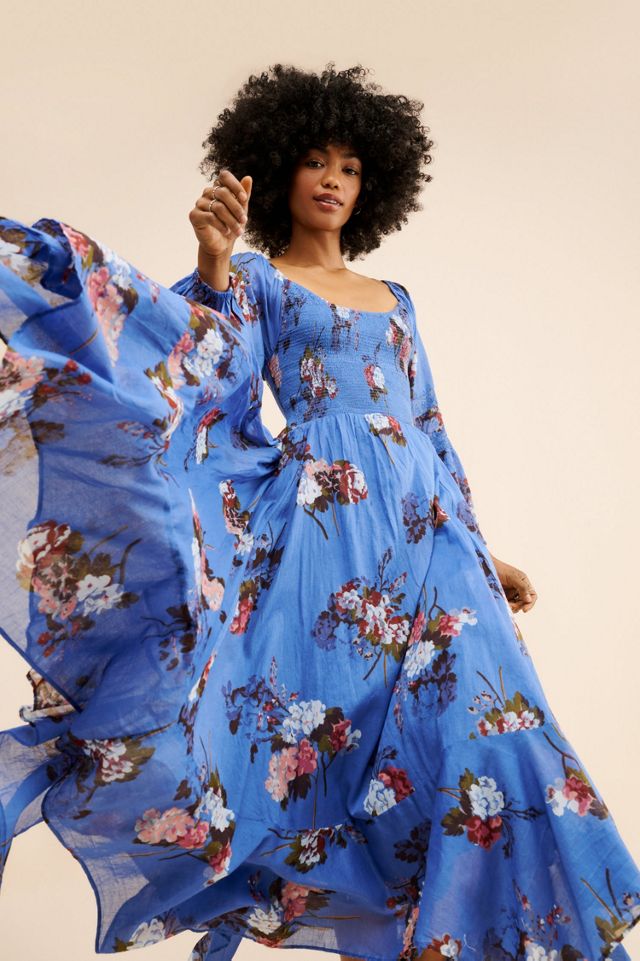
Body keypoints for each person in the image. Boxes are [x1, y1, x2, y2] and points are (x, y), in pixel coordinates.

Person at [0, 62, 638, 961]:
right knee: (354, 762)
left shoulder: (398, 299)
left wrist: (482, 549)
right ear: (278, 172)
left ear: (373, 185)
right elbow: (203, 368)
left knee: (501, 736)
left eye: (350, 165)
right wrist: (212, 264)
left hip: (432, 540)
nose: (333, 178)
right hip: (327, 546)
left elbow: (429, 429)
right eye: (314, 160)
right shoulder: (259, 281)